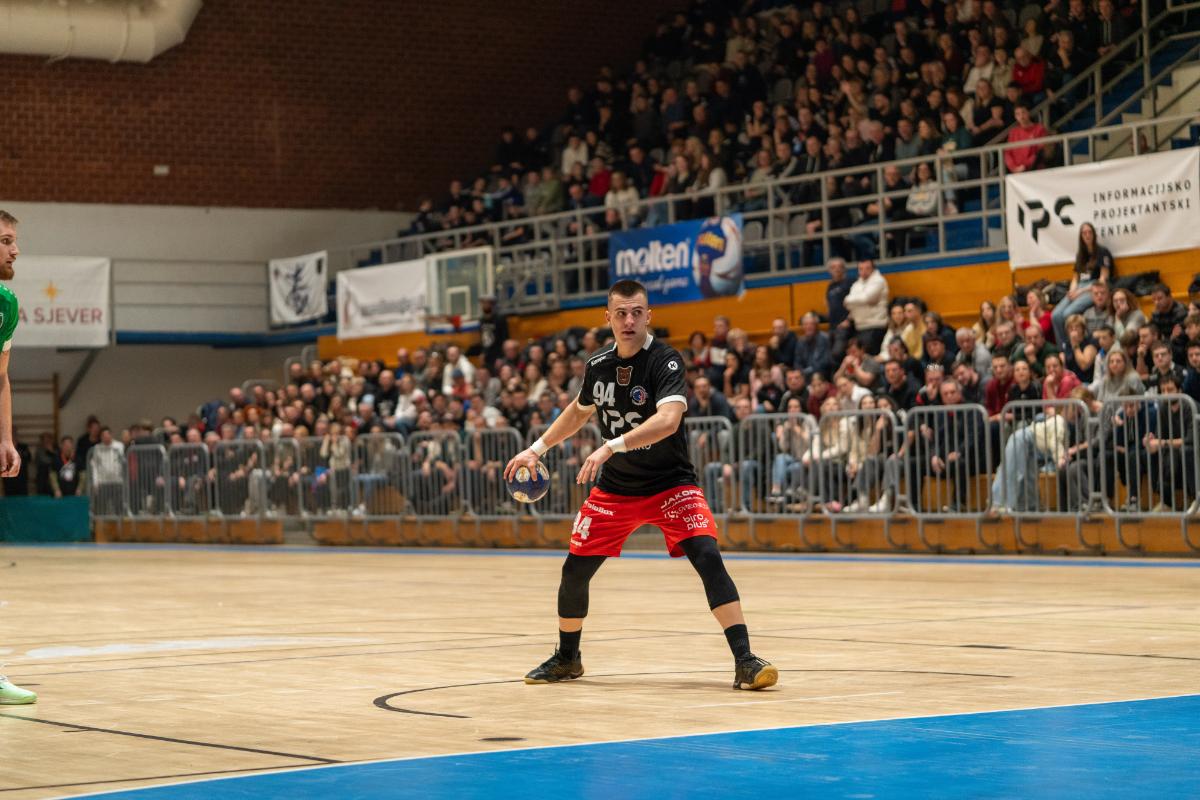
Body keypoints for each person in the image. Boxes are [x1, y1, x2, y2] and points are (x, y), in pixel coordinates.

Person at [504, 279, 776, 691]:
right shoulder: (598, 365)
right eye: (621, 314)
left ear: (649, 316)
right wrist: (535, 449)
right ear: (608, 318)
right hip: (617, 490)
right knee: (574, 570)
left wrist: (610, 446)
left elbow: (668, 421)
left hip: (671, 484)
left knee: (707, 555)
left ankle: (745, 661)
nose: (629, 321)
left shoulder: (666, 361)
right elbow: (579, 411)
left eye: (636, 313)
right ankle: (567, 658)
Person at [0, 210, 35, 705]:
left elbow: (1, 376)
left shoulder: (6, 305)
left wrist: (5, 438)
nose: (15, 250)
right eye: (6, 240)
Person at [1052, 222, 1113, 345]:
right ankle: (1063, 346)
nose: (1087, 235)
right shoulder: (1080, 254)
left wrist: (1081, 291)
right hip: (1079, 287)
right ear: (1081, 236)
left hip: (1093, 288)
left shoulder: (1102, 252)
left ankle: (1072, 345)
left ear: (1094, 234)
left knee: (1067, 314)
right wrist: (1072, 291)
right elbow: (1075, 278)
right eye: (1084, 233)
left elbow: (1102, 280)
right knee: (1055, 315)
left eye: (1089, 232)